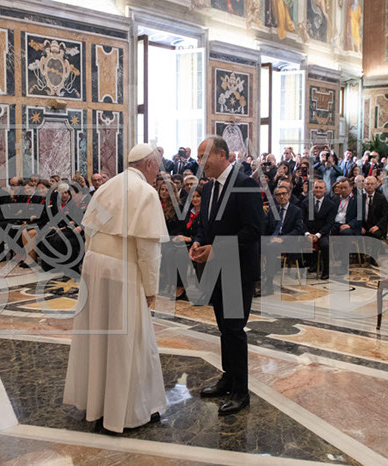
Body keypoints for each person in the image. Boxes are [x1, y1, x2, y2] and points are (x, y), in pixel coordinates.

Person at [64, 143, 168, 433]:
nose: (158, 172)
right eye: (157, 166)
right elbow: (148, 249)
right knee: (129, 342)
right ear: (149, 164)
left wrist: (91, 266)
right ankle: (126, 413)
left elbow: (90, 230)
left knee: (98, 336)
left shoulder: (107, 186)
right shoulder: (146, 192)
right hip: (123, 270)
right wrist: (150, 288)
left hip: (95, 266)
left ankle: (98, 405)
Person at [190, 136, 262, 415]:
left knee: (234, 329)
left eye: (204, 156)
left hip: (237, 269)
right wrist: (198, 241)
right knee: (223, 327)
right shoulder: (208, 188)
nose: (200, 163)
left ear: (222, 154)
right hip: (215, 269)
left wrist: (217, 249)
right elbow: (205, 225)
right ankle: (228, 378)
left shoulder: (245, 184)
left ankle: (241, 392)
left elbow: (253, 230)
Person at [262, 185, 305, 295]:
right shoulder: (273, 210)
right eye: (278, 194)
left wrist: (282, 239)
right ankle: (256, 279)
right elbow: (265, 227)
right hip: (272, 239)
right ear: (275, 197)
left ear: (289, 195)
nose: (281, 196)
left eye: (284, 194)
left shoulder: (296, 211)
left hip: (287, 242)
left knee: (271, 248)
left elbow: (298, 229)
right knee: (254, 245)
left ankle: (269, 283)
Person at [302, 179, 336, 280]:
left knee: (325, 245)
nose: (318, 190)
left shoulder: (331, 204)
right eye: (316, 187)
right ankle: (306, 266)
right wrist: (307, 233)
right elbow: (301, 221)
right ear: (313, 189)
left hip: (322, 233)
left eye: (321, 188)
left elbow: (329, 223)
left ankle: (326, 270)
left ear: (325, 189)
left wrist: (318, 235)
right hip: (307, 232)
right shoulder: (305, 202)